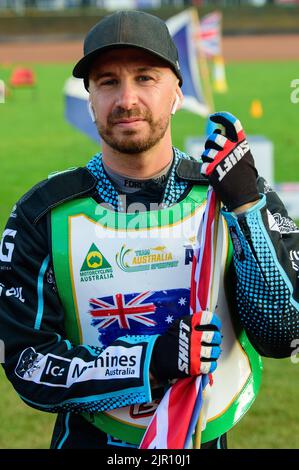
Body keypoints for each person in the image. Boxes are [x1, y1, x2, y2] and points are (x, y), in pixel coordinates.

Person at [0, 10, 298, 450]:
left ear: (177, 92)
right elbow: (28, 365)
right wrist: (150, 361)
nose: (126, 99)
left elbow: (284, 333)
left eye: (145, 78)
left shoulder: (232, 190)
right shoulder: (43, 212)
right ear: (90, 99)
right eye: (107, 82)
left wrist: (246, 207)